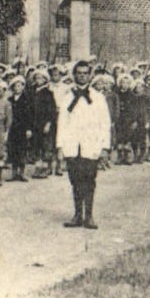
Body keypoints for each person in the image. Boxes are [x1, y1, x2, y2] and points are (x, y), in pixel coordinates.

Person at [55, 59, 112, 229]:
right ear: (74, 75)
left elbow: (105, 124)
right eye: (79, 73)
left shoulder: (98, 98)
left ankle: (89, 216)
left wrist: (104, 148)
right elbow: (62, 123)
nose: (82, 76)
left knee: (89, 180)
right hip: (72, 146)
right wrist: (60, 147)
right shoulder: (67, 98)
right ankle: (77, 215)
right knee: (75, 180)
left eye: (85, 73)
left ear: (89, 75)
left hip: (91, 145)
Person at [7, 74, 33, 180]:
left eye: (19, 86)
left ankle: (22, 172)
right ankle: (14, 173)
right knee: (13, 150)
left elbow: (30, 115)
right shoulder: (10, 100)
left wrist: (29, 129)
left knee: (22, 150)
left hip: (23, 128)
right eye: (15, 86)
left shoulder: (27, 100)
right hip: (13, 128)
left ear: (23, 87)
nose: (17, 88)